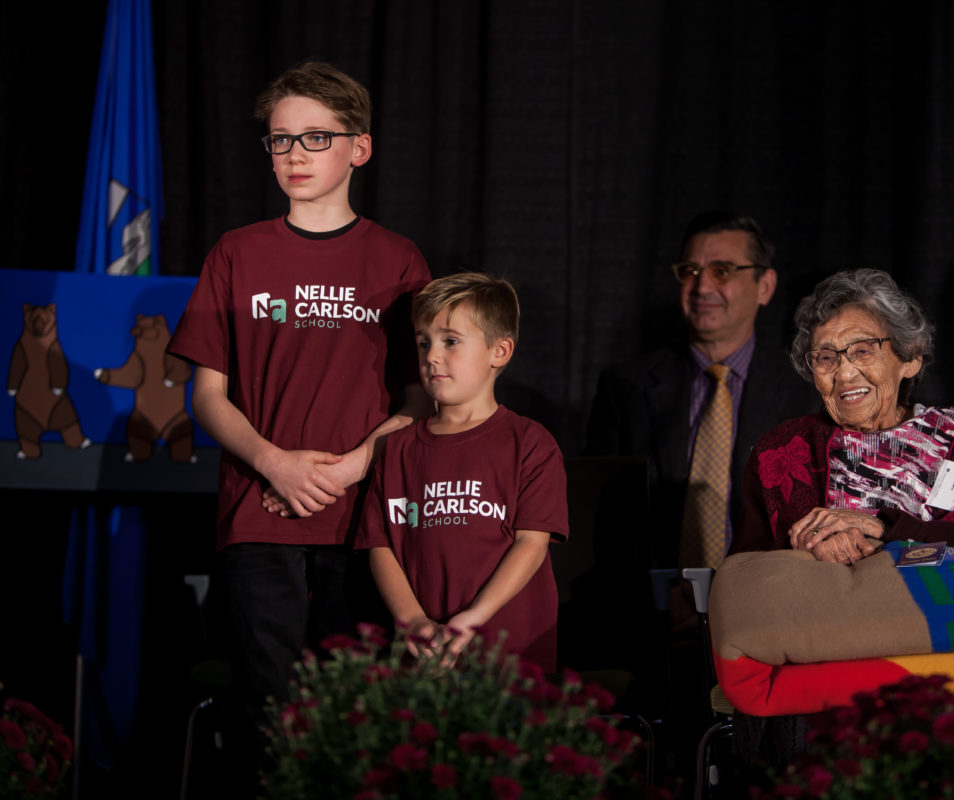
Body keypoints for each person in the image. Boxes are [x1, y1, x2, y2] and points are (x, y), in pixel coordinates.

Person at [167, 61, 430, 780]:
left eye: (316, 138)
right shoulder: (237, 253)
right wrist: (277, 463)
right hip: (260, 514)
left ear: (359, 149)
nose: (294, 156)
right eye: (281, 141)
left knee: (360, 707)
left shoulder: (399, 260)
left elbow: (419, 399)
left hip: (363, 519)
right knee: (269, 708)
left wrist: (348, 468)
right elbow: (208, 396)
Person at [731, 268, 954, 561]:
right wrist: (805, 548)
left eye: (863, 351)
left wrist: (883, 528)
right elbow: (745, 568)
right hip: (815, 605)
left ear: (910, 357)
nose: (845, 374)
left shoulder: (953, 437)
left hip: (930, 604)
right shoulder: (780, 450)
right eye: (826, 358)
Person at [355, 272, 568, 672]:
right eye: (423, 343)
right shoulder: (399, 449)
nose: (431, 355)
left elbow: (531, 544)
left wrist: (473, 618)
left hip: (508, 652)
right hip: (425, 656)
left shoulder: (530, 443)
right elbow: (380, 547)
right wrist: (415, 623)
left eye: (450, 341)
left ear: (499, 351)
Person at [587, 210, 816, 569]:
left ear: (765, 286)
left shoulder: (807, 389)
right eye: (690, 272)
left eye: (722, 271)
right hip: (652, 608)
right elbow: (600, 517)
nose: (702, 287)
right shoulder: (626, 387)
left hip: (769, 603)